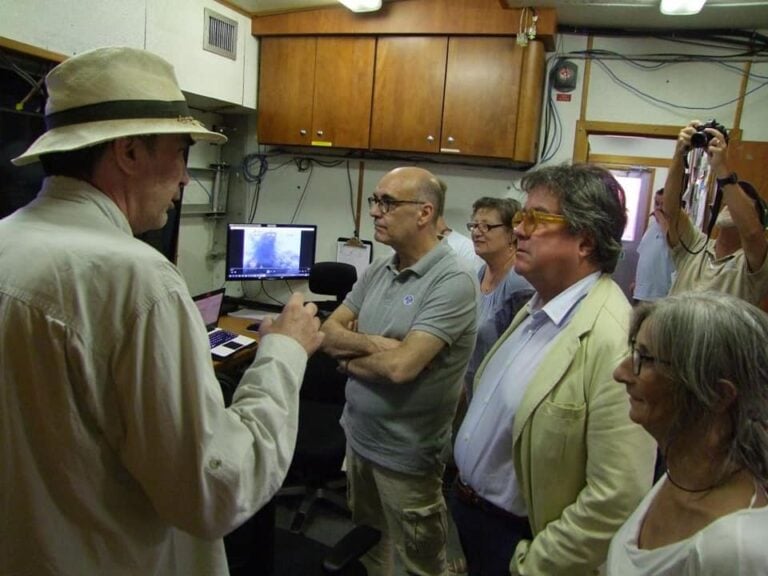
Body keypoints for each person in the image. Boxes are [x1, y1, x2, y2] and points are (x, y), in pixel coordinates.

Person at [0, 47, 323, 576]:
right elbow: (215, 489)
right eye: (181, 152)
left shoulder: (8, 241)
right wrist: (284, 352)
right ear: (128, 152)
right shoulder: (137, 279)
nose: (185, 180)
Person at [452, 164, 656, 576]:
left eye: (536, 218)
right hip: (474, 519)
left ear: (584, 240)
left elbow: (618, 495)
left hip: (522, 543)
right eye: (519, 218)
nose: (519, 230)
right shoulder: (540, 305)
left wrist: (535, 564)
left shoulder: (612, 339)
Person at [320, 166, 478, 576]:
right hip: (359, 438)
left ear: (425, 213)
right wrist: (381, 346)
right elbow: (328, 331)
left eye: (387, 202)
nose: (375, 211)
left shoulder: (453, 280)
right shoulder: (378, 269)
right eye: (375, 200)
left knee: (419, 564)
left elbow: (401, 369)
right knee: (373, 549)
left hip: (406, 455)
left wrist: (351, 360)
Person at [608, 291, 768, 575]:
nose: (620, 373)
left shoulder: (738, 549)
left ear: (718, 395)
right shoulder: (681, 476)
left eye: (645, 359)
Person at [664, 119, 768, 305]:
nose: (729, 204)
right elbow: (670, 210)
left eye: (743, 202)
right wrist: (679, 154)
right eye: (728, 200)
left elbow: (752, 234)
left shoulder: (753, 263)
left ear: (758, 220)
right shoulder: (696, 244)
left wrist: (721, 169)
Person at [463, 196, 533, 396]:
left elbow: (522, 352)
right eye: (474, 225)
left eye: (486, 227)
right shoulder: (479, 275)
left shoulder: (519, 282)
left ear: (512, 233)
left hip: (500, 392)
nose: (476, 232)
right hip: (472, 389)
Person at [632, 188, 675, 303]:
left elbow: (671, 240)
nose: (659, 208)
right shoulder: (651, 226)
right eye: (656, 203)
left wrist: (661, 217)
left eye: (663, 204)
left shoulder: (675, 229)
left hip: (660, 295)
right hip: (641, 293)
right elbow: (644, 256)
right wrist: (636, 282)